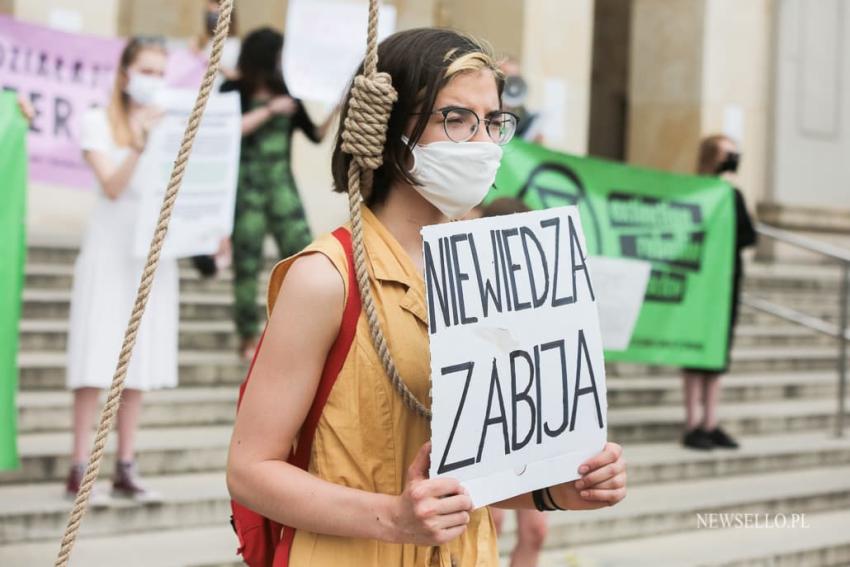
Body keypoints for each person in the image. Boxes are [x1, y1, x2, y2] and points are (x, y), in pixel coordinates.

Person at [226, 28, 626, 566]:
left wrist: (558, 490)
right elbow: (250, 471)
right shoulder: (326, 277)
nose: (482, 142)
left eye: (494, 122)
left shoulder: (494, 268)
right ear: (394, 129)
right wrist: (394, 517)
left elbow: (473, 471)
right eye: (456, 119)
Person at [65, 37, 177, 502]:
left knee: (138, 362)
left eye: (159, 72)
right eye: (145, 70)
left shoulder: (173, 122)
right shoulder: (96, 120)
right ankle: (79, 464)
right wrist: (140, 143)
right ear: (125, 73)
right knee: (96, 359)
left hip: (150, 254)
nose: (152, 80)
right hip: (108, 252)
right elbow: (112, 185)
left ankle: (125, 463)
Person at [221, 28, 337, 360]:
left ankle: (303, 328)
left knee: (304, 253)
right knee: (246, 263)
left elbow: (315, 134)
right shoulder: (235, 90)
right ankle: (247, 337)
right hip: (246, 191)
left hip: (281, 188)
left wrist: (334, 107)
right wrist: (271, 110)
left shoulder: (290, 93)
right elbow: (228, 130)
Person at [477, 198, 548, 567]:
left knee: (536, 531)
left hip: (530, 420)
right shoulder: (473, 289)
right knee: (492, 522)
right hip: (489, 422)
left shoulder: (542, 289)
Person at [681, 134, 757, 450]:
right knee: (694, 356)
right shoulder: (697, 193)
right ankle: (692, 423)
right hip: (699, 284)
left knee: (717, 357)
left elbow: (747, 235)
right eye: (729, 154)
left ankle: (710, 422)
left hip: (725, 284)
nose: (733, 160)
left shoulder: (731, 194)